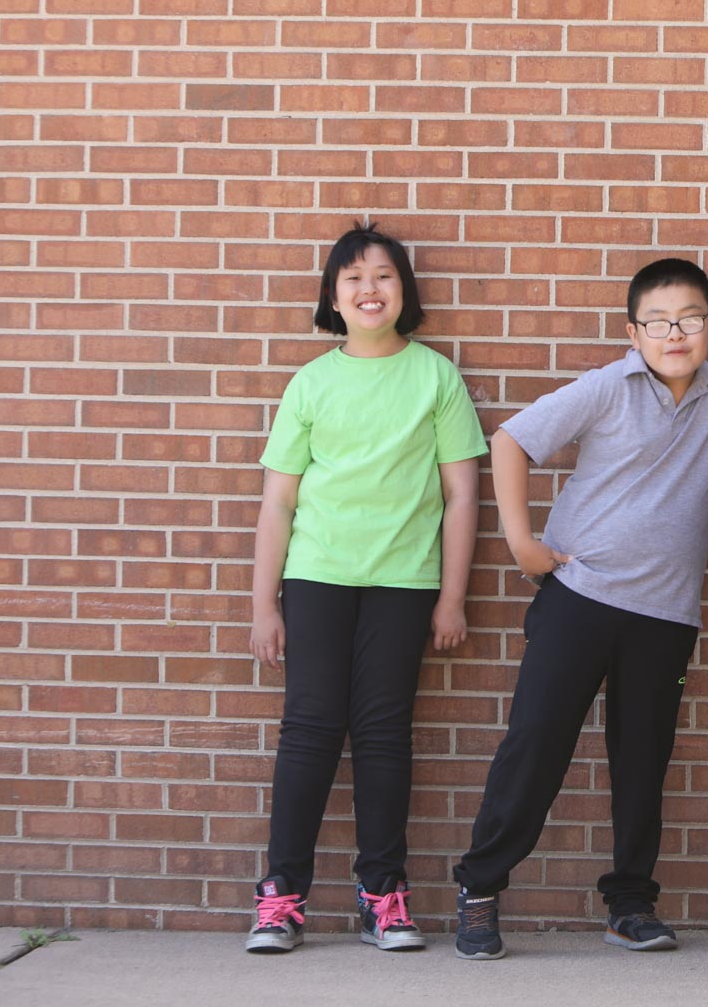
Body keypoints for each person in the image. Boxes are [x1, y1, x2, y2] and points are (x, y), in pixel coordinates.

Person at [449, 257, 708, 960]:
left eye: (689, 318)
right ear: (635, 332)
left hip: (664, 616)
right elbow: (510, 440)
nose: (675, 332)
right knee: (535, 747)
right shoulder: (608, 386)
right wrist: (521, 543)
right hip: (580, 598)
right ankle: (479, 889)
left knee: (642, 762)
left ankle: (630, 904)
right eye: (658, 321)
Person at [244, 225, 486, 954]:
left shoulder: (436, 377)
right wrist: (263, 605)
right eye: (352, 278)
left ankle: (384, 895)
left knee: (383, 736)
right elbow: (278, 502)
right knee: (310, 732)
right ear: (332, 296)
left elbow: (463, 495)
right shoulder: (311, 383)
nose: (369, 288)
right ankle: (281, 898)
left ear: (404, 292)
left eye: (384, 275)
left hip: (403, 581)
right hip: (316, 575)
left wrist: (451, 596)